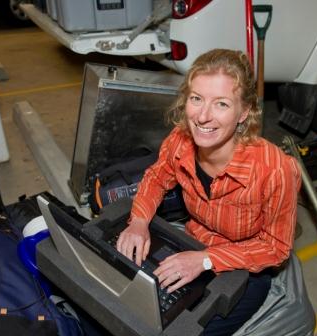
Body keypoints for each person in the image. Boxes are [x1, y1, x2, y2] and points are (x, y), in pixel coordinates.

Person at [116, 48, 301, 335]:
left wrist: (205, 260)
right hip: (193, 239)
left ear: (245, 112)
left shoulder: (276, 169)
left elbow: (276, 248)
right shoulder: (180, 140)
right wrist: (138, 221)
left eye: (221, 104)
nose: (202, 116)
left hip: (245, 268)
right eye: (197, 99)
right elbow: (156, 177)